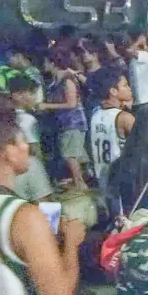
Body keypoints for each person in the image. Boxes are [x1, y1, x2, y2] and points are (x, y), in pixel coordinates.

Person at [0, 106, 84, 295]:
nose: (26, 148)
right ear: (7, 151)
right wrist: (71, 242)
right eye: (21, 141)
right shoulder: (22, 216)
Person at [39, 49, 89, 190]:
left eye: (46, 62)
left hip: (73, 123)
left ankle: (80, 185)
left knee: (70, 156)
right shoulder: (56, 81)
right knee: (71, 155)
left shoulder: (67, 80)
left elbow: (71, 103)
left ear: (53, 63)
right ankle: (79, 182)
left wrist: (47, 106)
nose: (43, 65)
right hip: (64, 124)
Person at [8, 76, 54, 202]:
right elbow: (36, 151)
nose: (34, 98)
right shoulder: (28, 120)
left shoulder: (3, 119)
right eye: (32, 93)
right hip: (27, 177)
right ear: (17, 95)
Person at [90, 68, 135, 189]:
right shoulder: (125, 118)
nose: (130, 88)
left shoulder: (95, 113)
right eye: (125, 85)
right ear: (113, 91)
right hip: (120, 179)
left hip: (101, 175)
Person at [125, 31, 148, 114]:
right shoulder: (133, 59)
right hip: (137, 102)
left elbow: (129, 51)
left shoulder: (145, 55)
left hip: (145, 102)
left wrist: (138, 41)